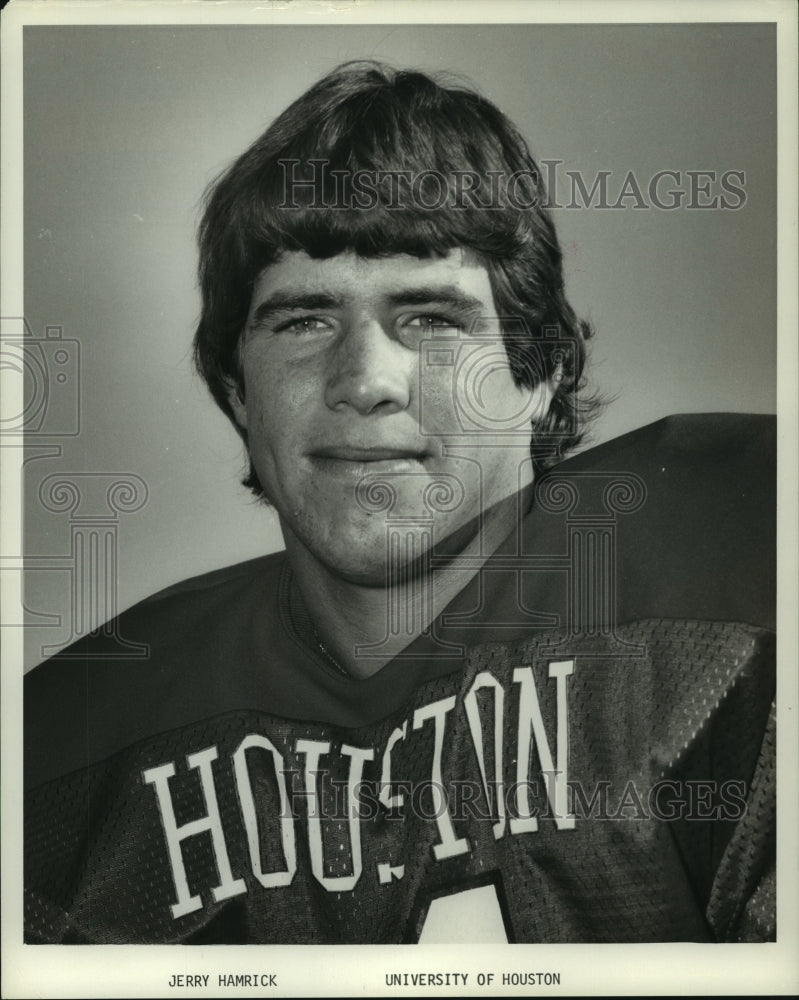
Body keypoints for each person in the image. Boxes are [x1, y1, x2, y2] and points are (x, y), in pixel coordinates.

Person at [24, 60, 775, 944]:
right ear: (235, 393)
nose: (366, 381)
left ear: (542, 373)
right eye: (303, 321)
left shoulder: (734, 586)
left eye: (431, 319)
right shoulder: (73, 747)